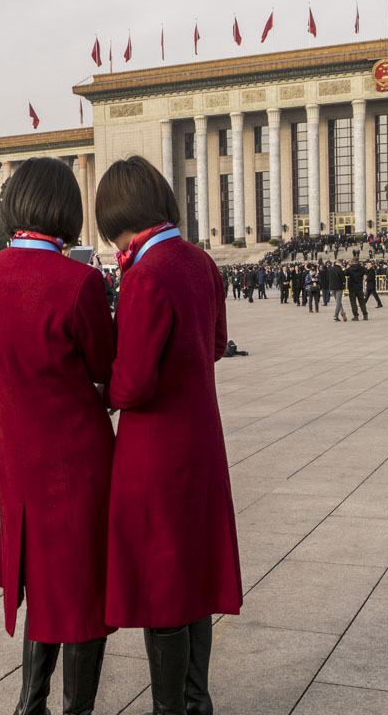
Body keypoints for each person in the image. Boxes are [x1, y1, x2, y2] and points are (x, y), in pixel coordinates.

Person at [0, 157, 116, 715]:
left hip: (17, 456)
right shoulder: (79, 282)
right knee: (82, 591)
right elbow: (107, 365)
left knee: (44, 582)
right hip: (78, 457)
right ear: (66, 210)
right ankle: (77, 710)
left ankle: (30, 704)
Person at [95, 156, 241, 715]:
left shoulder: (145, 275)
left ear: (119, 220)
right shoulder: (202, 263)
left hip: (155, 450)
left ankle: (169, 709)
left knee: (162, 589)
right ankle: (195, 700)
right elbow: (217, 343)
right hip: (201, 439)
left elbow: (132, 383)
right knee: (194, 581)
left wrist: (100, 388)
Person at [344, 256, 369, 321]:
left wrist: (347, 268)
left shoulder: (350, 269)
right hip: (359, 286)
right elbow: (366, 272)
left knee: (353, 302)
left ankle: (355, 315)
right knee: (362, 301)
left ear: (352, 262)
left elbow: (344, 273)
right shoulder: (362, 268)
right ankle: (365, 315)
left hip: (352, 287)